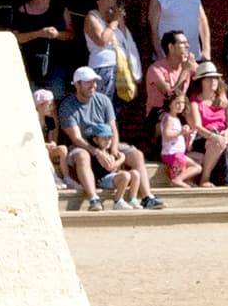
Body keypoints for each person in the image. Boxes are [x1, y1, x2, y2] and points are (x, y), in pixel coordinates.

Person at [55, 65, 155, 208]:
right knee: (82, 156)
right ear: (77, 84)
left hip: (106, 141)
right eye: (88, 82)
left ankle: (147, 197)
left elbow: (113, 127)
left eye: (94, 82)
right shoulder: (67, 106)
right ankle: (93, 198)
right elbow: (76, 138)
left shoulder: (103, 100)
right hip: (83, 145)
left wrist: (113, 149)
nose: (93, 85)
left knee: (136, 154)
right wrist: (97, 152)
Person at [6, 0, 72, 94]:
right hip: (30, 65)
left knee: (55, 102)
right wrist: (39, 33)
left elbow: (71, 34)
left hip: (56, 65)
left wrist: (57, 35)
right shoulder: (22, 9)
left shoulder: (60, 8)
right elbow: (16, 38)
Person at [181, 65, 228, 185]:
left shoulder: (223, 101)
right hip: (203, 137)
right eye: (208, 78)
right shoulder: (194, 102)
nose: (213, 81)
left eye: (215, 78)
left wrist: (226, 133)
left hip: (222, 134)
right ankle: (205, 178)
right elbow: (197, 127)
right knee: (216, 141)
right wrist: (213, 136)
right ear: (201, 81)